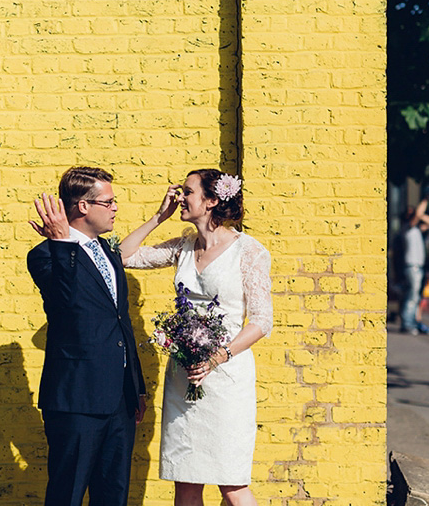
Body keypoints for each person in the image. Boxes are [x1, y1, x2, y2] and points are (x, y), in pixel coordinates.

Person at [119, 169, 273, 506]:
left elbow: (261, 321)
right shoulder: (183, 247)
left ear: (212, 201)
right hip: (183, 376)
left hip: (225, 378)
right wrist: (159, 216)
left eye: (186, 192)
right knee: (186, 482)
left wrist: (216, 357)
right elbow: (124, 256)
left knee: (231, 482)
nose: (178, 196)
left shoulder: (250, 252)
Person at [27, 166, 148, 506]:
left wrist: (136, 386)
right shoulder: (46, 255)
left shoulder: (109, 253)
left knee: (113, 495)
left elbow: (120, 322)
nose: (115, 208)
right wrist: (61, 243)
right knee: (68, 493)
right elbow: (67, 306)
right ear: (82, 206)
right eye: (108, 202)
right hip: (77, 399)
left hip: (119, 399)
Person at [398, 199, 429, 335]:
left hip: (416, 267)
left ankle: (412, 322)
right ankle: (407, 324)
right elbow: (418, 215)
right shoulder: (408, 227)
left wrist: (421, 215)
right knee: (412, 296)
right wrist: (425, 199)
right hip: (412, 266)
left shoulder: (416, 229)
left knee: (415, 296)